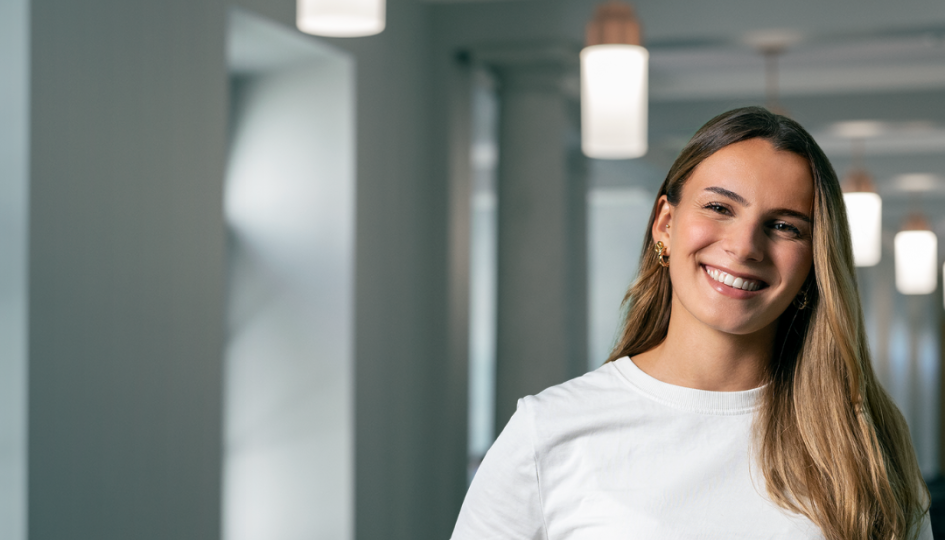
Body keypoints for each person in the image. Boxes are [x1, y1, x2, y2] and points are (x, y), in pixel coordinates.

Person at [450, 107, 933, 540]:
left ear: (814, 263)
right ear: (665, 223)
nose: (745, 247)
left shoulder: (863, 441)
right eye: (720, 207)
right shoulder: (549, 430)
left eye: (786, 226)